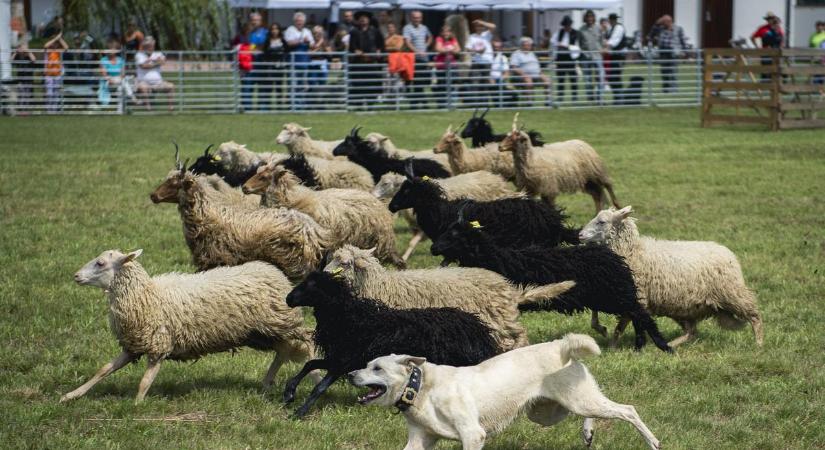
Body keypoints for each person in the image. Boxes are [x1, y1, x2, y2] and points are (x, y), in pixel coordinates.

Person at [348, 11, 385, 107]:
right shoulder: (354, 32)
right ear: (358, 20)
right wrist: (356, 50)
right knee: (359, 84)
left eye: (365, 18)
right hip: (359, 63)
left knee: (372, 83)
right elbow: (352, 47)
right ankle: (359, 104)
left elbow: (381, 44)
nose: (363, 20)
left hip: (371, 62)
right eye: (361, 18)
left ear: (369, 20)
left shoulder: (375, 31)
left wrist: (379, 50)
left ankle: (370, 103)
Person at [649, 15, 687, 93]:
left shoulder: (678, 29)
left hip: (674, 53)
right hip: (663, 53)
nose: (663, 23)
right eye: (662, 22)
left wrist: (684, 52)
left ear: (669, 21)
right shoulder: (660, 29)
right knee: (664, 71)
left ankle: (674, 90)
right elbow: (651, 35)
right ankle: (665, 89)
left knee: (673, 71)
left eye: (664, 22)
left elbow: (683, 40)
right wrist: (656, 24)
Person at [135, 36, 174, 111]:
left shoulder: (158, 53)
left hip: (158, 82)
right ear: (144, 46)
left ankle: (171, 108)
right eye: (148, 46)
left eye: (151, 46)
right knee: (143, 87)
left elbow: (163, 61)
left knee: (170, 86)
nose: (150, 48)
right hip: (143, 82)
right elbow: (143, 66)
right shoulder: (139, 55)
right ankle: (148, 108)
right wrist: (156, 62)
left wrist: (151, 62)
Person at [402, 10, 432, 107]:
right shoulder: (407, 28)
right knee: (415, 81)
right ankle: (420, 103)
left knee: (422, 81)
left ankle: (416, 102)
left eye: (419, 17)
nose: (417, 19)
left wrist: (426, 46)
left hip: (423, 59)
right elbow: (407, 42)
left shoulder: (424, 27)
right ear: (411, 18)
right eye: (415, 17)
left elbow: (430, 37)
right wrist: (417, 51)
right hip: (413, 59)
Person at [510, 36, 550, 106]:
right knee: (528, 80)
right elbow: (514, 67)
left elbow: (537, 65)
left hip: (536, 74)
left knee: (547, 80)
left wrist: (541, 73)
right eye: (526, 45)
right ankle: (529, 101)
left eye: (529, 45)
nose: (528, 46)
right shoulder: (516, 54)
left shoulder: (532, 54)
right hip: (521, 76)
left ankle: (548, 101)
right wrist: (524, 74)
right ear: (522, 45)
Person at [285, 11, 315, 108]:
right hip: (293, 62)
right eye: (298, 21)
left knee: (303, 84)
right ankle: (294, 105)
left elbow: (312, 45)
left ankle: (301, 104)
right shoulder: (290, 30)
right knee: (293, 84)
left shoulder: (307, 31)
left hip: (304, 62)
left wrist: (309, 42)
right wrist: (301, 41)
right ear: (294, 21)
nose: (299, 23)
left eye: (301, 21)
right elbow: (289, 43)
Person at [257, 22, 288, 109]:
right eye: (273, 29)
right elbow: (265, 53)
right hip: (270, 67)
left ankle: (279, 106)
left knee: (279, 87)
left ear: (279, 30)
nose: (274, 31)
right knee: (269, 87)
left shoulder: (282, 40)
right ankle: (267, 106)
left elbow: (286, 51)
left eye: (276, 29)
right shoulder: (267, 41)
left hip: (280, 67)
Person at [99, 38, 136, 108]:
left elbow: (123, 74)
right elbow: (104, 74)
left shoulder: (121, 60)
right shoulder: (103, 60)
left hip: (119, 80)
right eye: (108, 49)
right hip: (108, 81)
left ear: (116, 50)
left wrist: (118, 80)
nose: (110, 51)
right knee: (123, 83)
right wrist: (110, 80)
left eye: (112, 49)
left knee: (120, 88)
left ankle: (120, 109)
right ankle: (132, 97)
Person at [551, 15, 580, 103]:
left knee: (573, 78)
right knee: (560, 78)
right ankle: (560, 97)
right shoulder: (559, 32)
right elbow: (552, 41)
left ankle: (574, 97)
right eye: (566, 25)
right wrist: (559, 44)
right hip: (561, 58)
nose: (567, 27)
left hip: (571, 58)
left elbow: (577, 46)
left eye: (568, 25)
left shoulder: (575, 33)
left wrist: (566, 46)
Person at [466, 19, 495, 102]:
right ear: (475, 28)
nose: (479, 27)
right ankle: (475, 101)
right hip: (476, 61)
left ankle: (484, 101)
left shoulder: (487, 34)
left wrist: (482, 22)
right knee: (474, 81)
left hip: (487, 61)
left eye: (481, 26)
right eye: (477, 26)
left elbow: (493, 26)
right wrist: (476, 51)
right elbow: (468, 49)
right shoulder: (472, 36)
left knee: (485, 82)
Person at [579, 9, 604, 103]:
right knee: (587, 79)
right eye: (588, 16)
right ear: (585, 18)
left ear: (594, 18)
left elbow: (601, 41)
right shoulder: (581, 29)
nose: (590, 18)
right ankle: (590, 98)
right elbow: (580, 43)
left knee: (600, 77)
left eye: (591, 16)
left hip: (597, 56)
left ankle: (599, 98)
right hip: (586, 56)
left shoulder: (598, 28)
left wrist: (601, 49)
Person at [751, 12, 784, 82]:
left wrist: (781, 48)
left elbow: (781, 40)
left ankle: (775, 86)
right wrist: (757, 47)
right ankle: (764, 86)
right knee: (765, 70)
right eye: (768, 19)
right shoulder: (763, 28)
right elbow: (752, 37)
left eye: (772, 18)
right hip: (766, 53)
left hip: (776, 53)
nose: (770, 20)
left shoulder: (778, 28)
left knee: (776, 70)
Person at [433, 25, 460, 107]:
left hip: (453, 66)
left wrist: (445, 50)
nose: (446, 33)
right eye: (444, 31)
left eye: (448, 31)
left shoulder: (453, 39)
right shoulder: (439, 39)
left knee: (453, 86)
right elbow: (438, 49)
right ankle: (442, 104)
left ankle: (452, 105)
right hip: (442, 66)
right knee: (441, 86)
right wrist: (450, 50)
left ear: (451, 32)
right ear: (441, 32)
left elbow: (458, 50)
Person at [43, 32, 68, 113]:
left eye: (56, 43)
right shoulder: (48, 50)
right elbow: (45, 45)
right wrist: (55, 38)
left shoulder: (58, 51)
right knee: (49, 93)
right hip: (49, 75)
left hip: (57, 74)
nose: (54, 44)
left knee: (56, 93)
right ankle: (49, 109)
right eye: (54, 42)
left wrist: (60, 38)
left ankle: (54, 109)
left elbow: (66, 48)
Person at [604, 13, 626, 105]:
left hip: (618, 56)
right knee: (612, 77)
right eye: (611, 19)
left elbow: (614, 41)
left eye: (613, 19)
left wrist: (606, 46)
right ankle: (617, 98)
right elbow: (607, 39)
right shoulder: (610, 29)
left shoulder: (619, 28)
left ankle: (619, 99)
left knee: (616, 77)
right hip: (613, 56)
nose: (612, 21)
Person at [11, 42, 37, 111]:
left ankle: (25, 109)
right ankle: (21, 108)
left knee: (27, 94)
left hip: (28, 78)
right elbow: (11, 60)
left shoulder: (29, 55)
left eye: (24, 47)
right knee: (21, 94)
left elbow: (34, 59)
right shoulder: (17, 56)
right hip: (20, 79)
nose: (23, 49)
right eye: (21, 47)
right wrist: (16, 52)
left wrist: (28, 51)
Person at [489, 37, 511, 107]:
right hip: (488, 78)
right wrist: (490, 78)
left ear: (501, 48)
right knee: (492, 83)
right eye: (494, 47)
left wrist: (501, 78)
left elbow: (506, 72)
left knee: (499, 84)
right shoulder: (487, 56)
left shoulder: (503, 58)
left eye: (498, 47)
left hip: (499, 79)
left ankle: (499, 104)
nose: (496, 49)